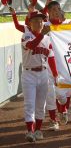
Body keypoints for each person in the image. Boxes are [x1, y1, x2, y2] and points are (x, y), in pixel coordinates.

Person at [20, 11, 58, 142]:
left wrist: (56, 75)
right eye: (35, 20)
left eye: (41, 20)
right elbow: (31, 45)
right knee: (29, 104)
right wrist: (42, 35)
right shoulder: (26, 36)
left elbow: (51, 58)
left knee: (41, 105)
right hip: (29, 74)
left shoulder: (47, 39)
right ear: (30, 23)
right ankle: (30, 131)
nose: (39, 23)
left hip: (43, 74)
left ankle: (38, 130)